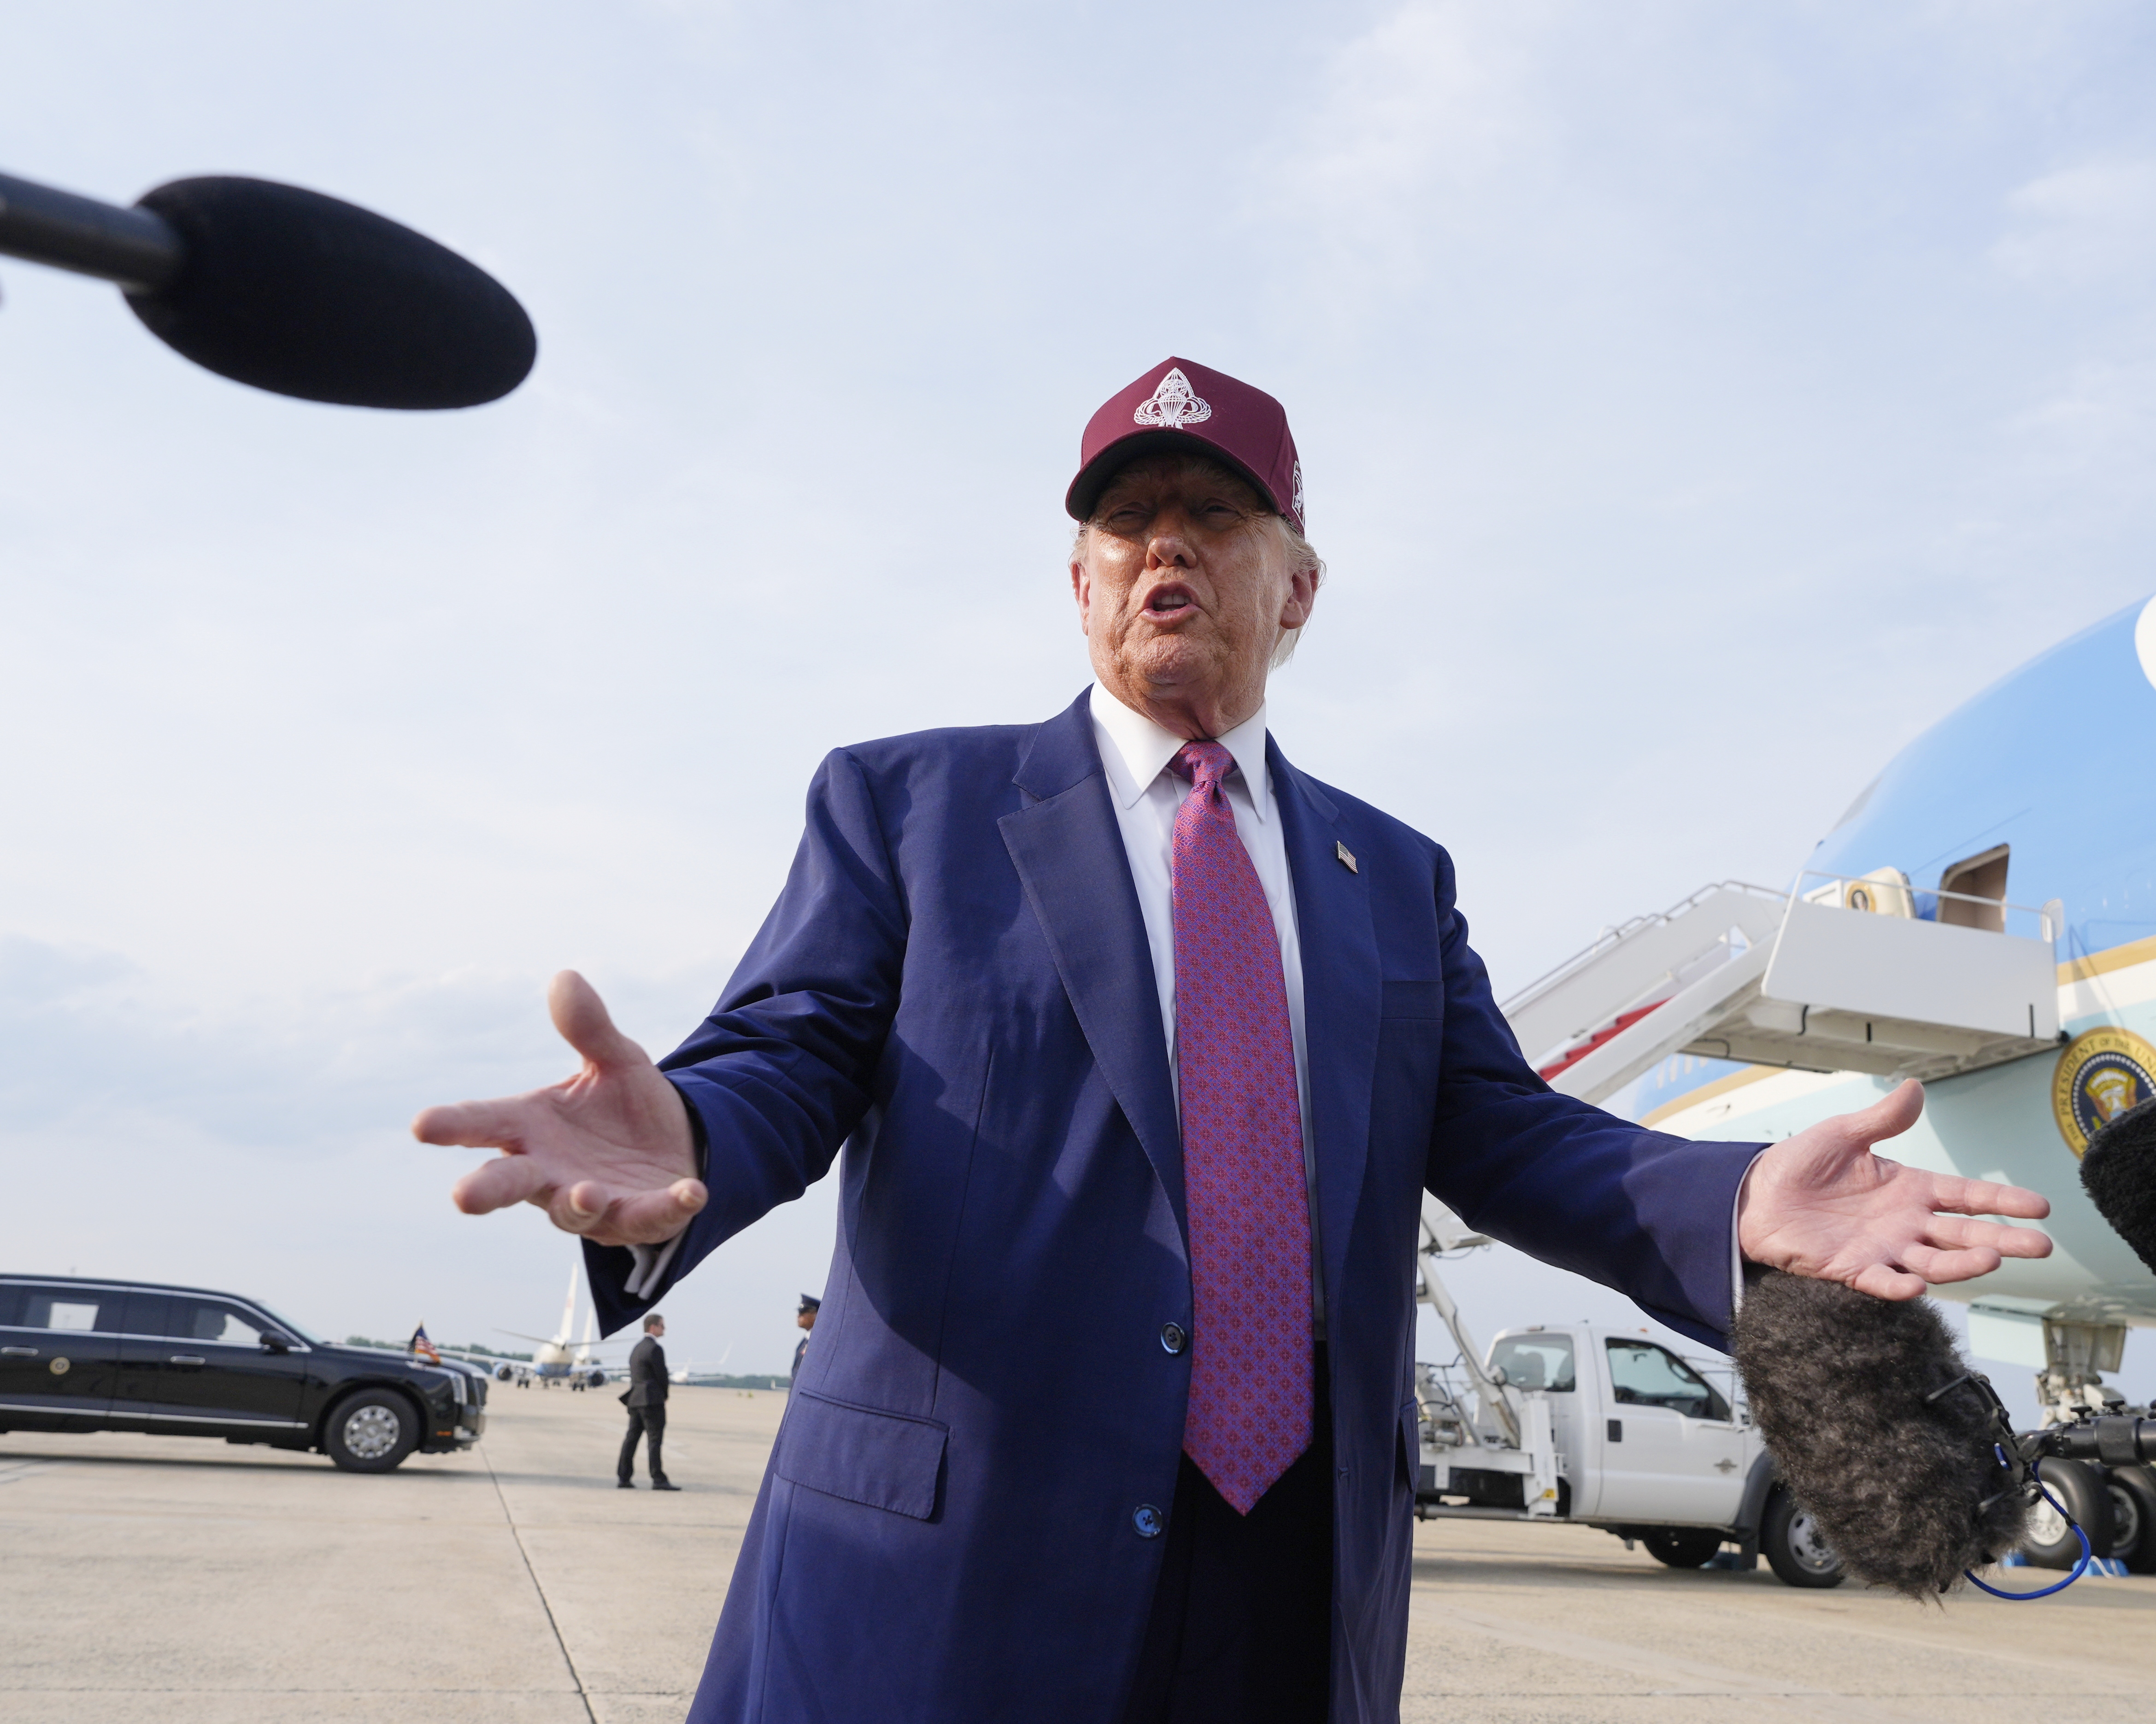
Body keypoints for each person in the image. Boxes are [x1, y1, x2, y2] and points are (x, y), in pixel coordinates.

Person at [415, 358, 2052, 1724]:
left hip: (1286, 1588)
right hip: (953, 1574)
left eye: (1211, 514)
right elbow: (787, 1051)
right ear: (1077, 585)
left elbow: (1509, 1134)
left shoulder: (1391, 879)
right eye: (1124, 522)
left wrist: (1738, 1197)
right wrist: (690, 1137)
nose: (1161, 548)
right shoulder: (908, 808)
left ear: (1299, 586)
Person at [617, 1311, 678, 1491]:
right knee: (654, 1441)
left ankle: (624, 1477)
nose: (664, 1329)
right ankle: (658, 1478)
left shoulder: (637, 1348)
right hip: (652, 1401)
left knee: (631, 1439)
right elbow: (662, 1375)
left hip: (635, 1400)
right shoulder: (655, 1349)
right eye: (662, 1325)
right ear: (653, 1327)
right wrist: (665, 1394)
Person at [791, 1293, 818, 1384]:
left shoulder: (818, 1342)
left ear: (815, 1314)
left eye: (803, 1312)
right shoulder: (806, 1340)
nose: (798, 1316)